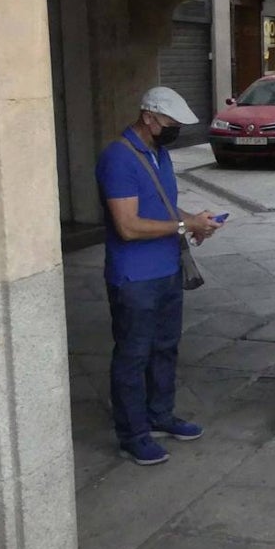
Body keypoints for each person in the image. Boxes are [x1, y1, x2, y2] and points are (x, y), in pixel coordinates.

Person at [96, 87, 223, 465]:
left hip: (167, 269)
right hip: (134, 278)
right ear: (148, 117)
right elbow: (127, 226)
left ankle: (160, 416)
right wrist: (184, 224)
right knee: (133, 355)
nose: (174, 130)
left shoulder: (160, 153)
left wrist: (192, 224)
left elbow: (161, 206)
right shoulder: (118, 158)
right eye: (170, 123)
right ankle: (133, 434)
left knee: (165, 347)